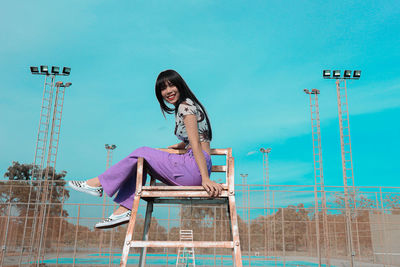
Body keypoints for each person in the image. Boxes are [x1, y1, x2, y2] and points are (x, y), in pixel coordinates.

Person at [68, 69, 223, 229]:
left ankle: (98, 183)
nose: (168, 91)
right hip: (194, 167)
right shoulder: (189, 105)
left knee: (141, 151)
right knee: (141, 160)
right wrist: (182, 144)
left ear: (180, 85)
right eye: (163, 88)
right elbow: (197, 137)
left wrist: (205, 178)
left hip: (194, 168)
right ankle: (123, 210)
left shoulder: (185, 106)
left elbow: (196, 144)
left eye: (171, 85)